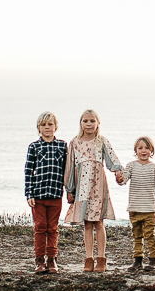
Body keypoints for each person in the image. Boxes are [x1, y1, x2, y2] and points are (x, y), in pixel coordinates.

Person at [64, 109, 123, 273]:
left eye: (92, 121)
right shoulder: (75, 142)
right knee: (87, 224)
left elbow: (112, 160)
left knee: (99, 222)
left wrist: (119, 172)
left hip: (98, 186)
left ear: (97, 123)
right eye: (85, 121)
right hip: (82, 187)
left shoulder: (102, 141)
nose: (88, 124)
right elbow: (69, 166)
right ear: (80, 123)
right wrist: (69, 188)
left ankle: (101, 259)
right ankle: (88, 259)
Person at [115, 136, 155, 273]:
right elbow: (123, 181)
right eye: (140, 148)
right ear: (136, 151)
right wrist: (119, 178)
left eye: (147, 148)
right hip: (134, 207)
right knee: (137, 235)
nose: (143, 151)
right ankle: (137, 260)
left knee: (150, 234)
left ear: (152, 151)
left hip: (149, 208)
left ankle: (153, 259)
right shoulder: (131, 166)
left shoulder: (154, 168)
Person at [24, 111, 68, 275]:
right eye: (44, 125)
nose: (47, 127)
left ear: (56, 127)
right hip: (38, 195)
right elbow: (28, 171)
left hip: (56, 194)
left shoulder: (62, 146)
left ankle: (52, 259)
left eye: (50, 124)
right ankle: (40, 260)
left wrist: (70, 191)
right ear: (38, 128)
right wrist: (29, 194)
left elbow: (67, 171)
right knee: (40, 227)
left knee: (53, 228)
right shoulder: (34, 146)